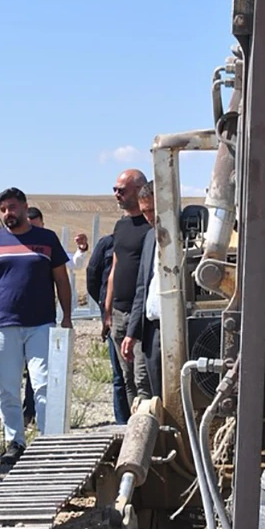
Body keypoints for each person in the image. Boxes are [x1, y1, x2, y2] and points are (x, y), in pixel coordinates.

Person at [0, 188, 73, 465]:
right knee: (8, 387)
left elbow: (62, 280)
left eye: (12, 207)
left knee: (42, 384)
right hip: (3, 325)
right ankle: (15, 442)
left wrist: (67, 317)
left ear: (25, 207)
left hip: (41, 324)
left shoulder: (46, 239)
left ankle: (48, 441)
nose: (7, 214)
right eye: (3, 209)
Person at [104, 169, 153, 409]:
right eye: (114, 190)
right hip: (119, 312)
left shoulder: (151, 227)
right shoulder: (121, 226)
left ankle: (148, 431)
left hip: (142, 314)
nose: (116, 195)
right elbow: (115, 266)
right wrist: (107, 309)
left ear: (138, 189)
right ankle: (135, 429)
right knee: (128, 378)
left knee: (144, 378)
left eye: (121, 190)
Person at [123, 182, 162, 401]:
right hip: (152, 328)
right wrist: (132, 332)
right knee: (156, 389)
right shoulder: (149, 238)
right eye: (144, 211)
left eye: (152, 211)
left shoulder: (188, 234)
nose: (148, 217)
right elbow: (142, 289)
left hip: (180, 327)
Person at [87, 230, 130, 424]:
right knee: (119, 375)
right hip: (113, 316)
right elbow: (92, 276)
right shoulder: (107, 244)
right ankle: (123, 424)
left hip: (138, 313)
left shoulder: (148, 238)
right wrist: (105, 309)